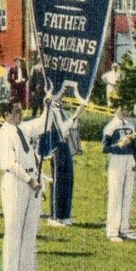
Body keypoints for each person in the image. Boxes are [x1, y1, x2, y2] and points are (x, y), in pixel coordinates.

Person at [0, 99, 50, 271]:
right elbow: (10, 163)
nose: (21, 114)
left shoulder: (23, 130)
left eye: (20, 110)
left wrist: (48, 105)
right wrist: (29, 180)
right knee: (14, 228)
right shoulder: (3, 135)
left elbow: (44, 123)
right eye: (17, 111)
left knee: (30, 228)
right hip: (15, 182)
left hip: (31, 181)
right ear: (7, 114)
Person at [46, 92, 86, 227]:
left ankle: (65, 214)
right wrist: (75, 116)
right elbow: (61, 129)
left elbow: (71, 127)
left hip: (65, 145)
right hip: (56, 146)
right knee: (58, 181)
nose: (62, 96)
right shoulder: (51, 110)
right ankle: (55, 216)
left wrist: (77, 116)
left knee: (68, 180)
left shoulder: (60, 109)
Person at [102, 106, 136, 242]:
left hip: (129, 160)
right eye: (122, 109)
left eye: (127, 109)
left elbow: (134, 146)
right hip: (117, 160)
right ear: (115, 109)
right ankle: (112, 230)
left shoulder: (131, 125)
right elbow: (105, 148)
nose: (125, 112)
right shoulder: (110, 126)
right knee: (116, 194)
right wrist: (119, 145)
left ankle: (124, 228)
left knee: (128, 194)